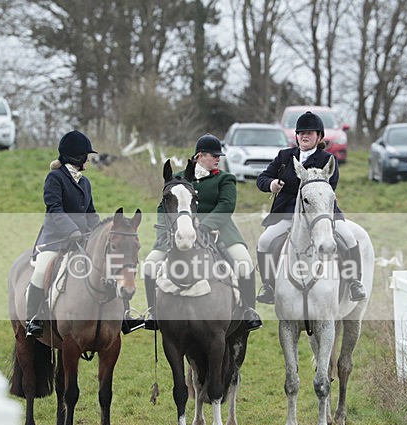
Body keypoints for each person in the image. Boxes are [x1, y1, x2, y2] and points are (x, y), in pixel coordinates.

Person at [142, 133, 262, 332]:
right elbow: (163, 207)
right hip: (177, 233)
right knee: (149, 265)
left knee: (244, 263)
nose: (218, 159)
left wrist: (202, 227)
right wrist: (164, 232)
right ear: (199, 156)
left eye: (218, 156)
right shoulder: (178, 178)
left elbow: (226, 205)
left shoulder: (225, 179)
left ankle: (249, 311)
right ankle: (152, 312)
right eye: (213, 155)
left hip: (220, 231)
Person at [255, 111, 367, 304]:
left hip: (320, 212)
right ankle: (269, 285)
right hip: (288, 212)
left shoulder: (327, 159)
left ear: (319, 136)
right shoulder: (284, 156)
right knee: (265, 241)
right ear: (296, 136)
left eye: (310, 132)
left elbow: (328, 190)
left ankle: (354, 281)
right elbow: (262, 178)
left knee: (348, 238)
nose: (304, 136)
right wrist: (271, 184)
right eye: (301, 133)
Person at [25, 130, 102, 338]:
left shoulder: (84, 182)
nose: (89, 160)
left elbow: (91, 213)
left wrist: (98, 231)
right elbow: (54, 209)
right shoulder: (55, 178)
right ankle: (33, 319)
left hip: (81, 241)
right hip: (55, 240)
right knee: (41, 271)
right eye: (87, 155)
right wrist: (72, 231)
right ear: (77, 157)